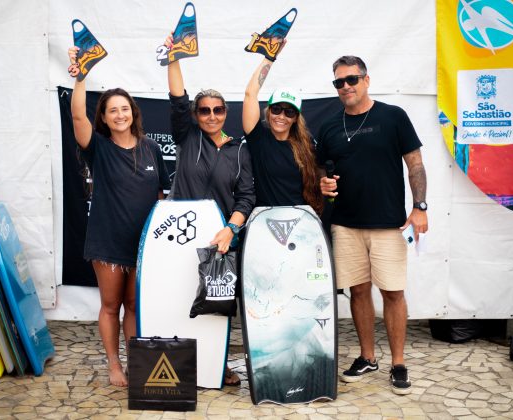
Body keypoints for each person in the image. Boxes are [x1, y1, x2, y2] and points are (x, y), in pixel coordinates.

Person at [317, 55, 428, 395]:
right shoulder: (330, 126)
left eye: (352, 79)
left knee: (393, 292)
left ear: (366, 80)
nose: (346, 86)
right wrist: (324, 184)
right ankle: (367, 357)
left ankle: (398, 362)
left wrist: (420, 206)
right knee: (358, 291)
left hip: (389, 224)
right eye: (339, 82)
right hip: (346, 225)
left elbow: (416, 164)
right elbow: (324, 170)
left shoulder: (393, 116)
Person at [68, 47, 170, 387]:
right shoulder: (97, 147)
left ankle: (137, 363)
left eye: (124, 108)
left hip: (143, 245)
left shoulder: (152, 148)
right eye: (113, 110)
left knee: (134, 307)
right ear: (105, 117)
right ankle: (114, 366)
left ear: (133, 112)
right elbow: (78, 118)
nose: (120, 114)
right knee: (111, 306)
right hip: (108, 242)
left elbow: (160, 197)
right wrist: (81, 76)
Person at [164, 35, 256, 386]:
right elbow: (177, 100)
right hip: (178, 234)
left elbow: (246, 196)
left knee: (216, 306)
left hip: (220, 239)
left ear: (225, 113)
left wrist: (231, 230)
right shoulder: (187, 138)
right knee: (178, 298)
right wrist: (174, 57)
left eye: (218, 110)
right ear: (196, 115)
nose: (212, 116)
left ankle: (219, 365)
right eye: (205, 110)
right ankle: (179, 362)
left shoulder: (239, 152)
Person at [242, 50, 323, 215]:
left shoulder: (306, 145)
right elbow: (250, 94)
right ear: (268, 112)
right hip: (264, 219)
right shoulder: (258, 138)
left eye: (289, 112)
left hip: (299, 219)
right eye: (276, 109)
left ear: (295, 118)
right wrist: (270, 57)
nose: (281, 116)